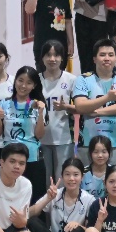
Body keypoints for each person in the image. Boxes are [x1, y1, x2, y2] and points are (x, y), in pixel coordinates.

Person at [26, 157, 97, 232]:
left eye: (76, 174)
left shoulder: (89, 199)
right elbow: (29, 214)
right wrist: (48, 199)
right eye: (67, 174)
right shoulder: (55, 193)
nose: (71, 178)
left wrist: (79, 226)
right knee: (32, 221)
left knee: (78, 231)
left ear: (82, 177)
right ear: (62, 176)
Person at [73, 38, 116, 168]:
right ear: (94, 59)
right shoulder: (83, 79)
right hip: (88, 143)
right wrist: (107, 98)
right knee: (87, 178)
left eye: (111, 55)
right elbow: (80, 106)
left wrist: (96, 112)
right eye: (102, 55)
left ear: (115, 59)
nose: (107, 58)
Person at [0, 65, 48, 202]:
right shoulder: (4, 104)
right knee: (8, 196)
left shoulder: (38, 105)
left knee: (34, 198)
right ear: (15, 81)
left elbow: (39, 135)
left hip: (32, 158)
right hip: (9, 158)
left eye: (29, 82)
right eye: (20, 80)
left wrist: (41, 113)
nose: (23, 85)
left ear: (34, 86)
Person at [38, 39, 79, 182]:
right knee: (44, 179)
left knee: (62, 178)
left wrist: (66, 107)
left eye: (56, 55)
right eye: (48, 55)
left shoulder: (71, 80)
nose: (52, 59)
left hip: (64, 138)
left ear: (62, 58)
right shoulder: (36, 80)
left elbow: (81, 108)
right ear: (42, 57)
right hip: (40, 139)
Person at [25, 0, 74, 66]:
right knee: (43, 74)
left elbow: (68, 21)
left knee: (60, 73)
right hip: (42, 44)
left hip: (61, 44)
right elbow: (29, 10)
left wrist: (71, 43)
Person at [82, 135, 113, 199]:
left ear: (109, 153)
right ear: (90, 153)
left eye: (104, 152)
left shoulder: (114, 172)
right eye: (96, 152)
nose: (100, 155)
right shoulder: (82, 172)